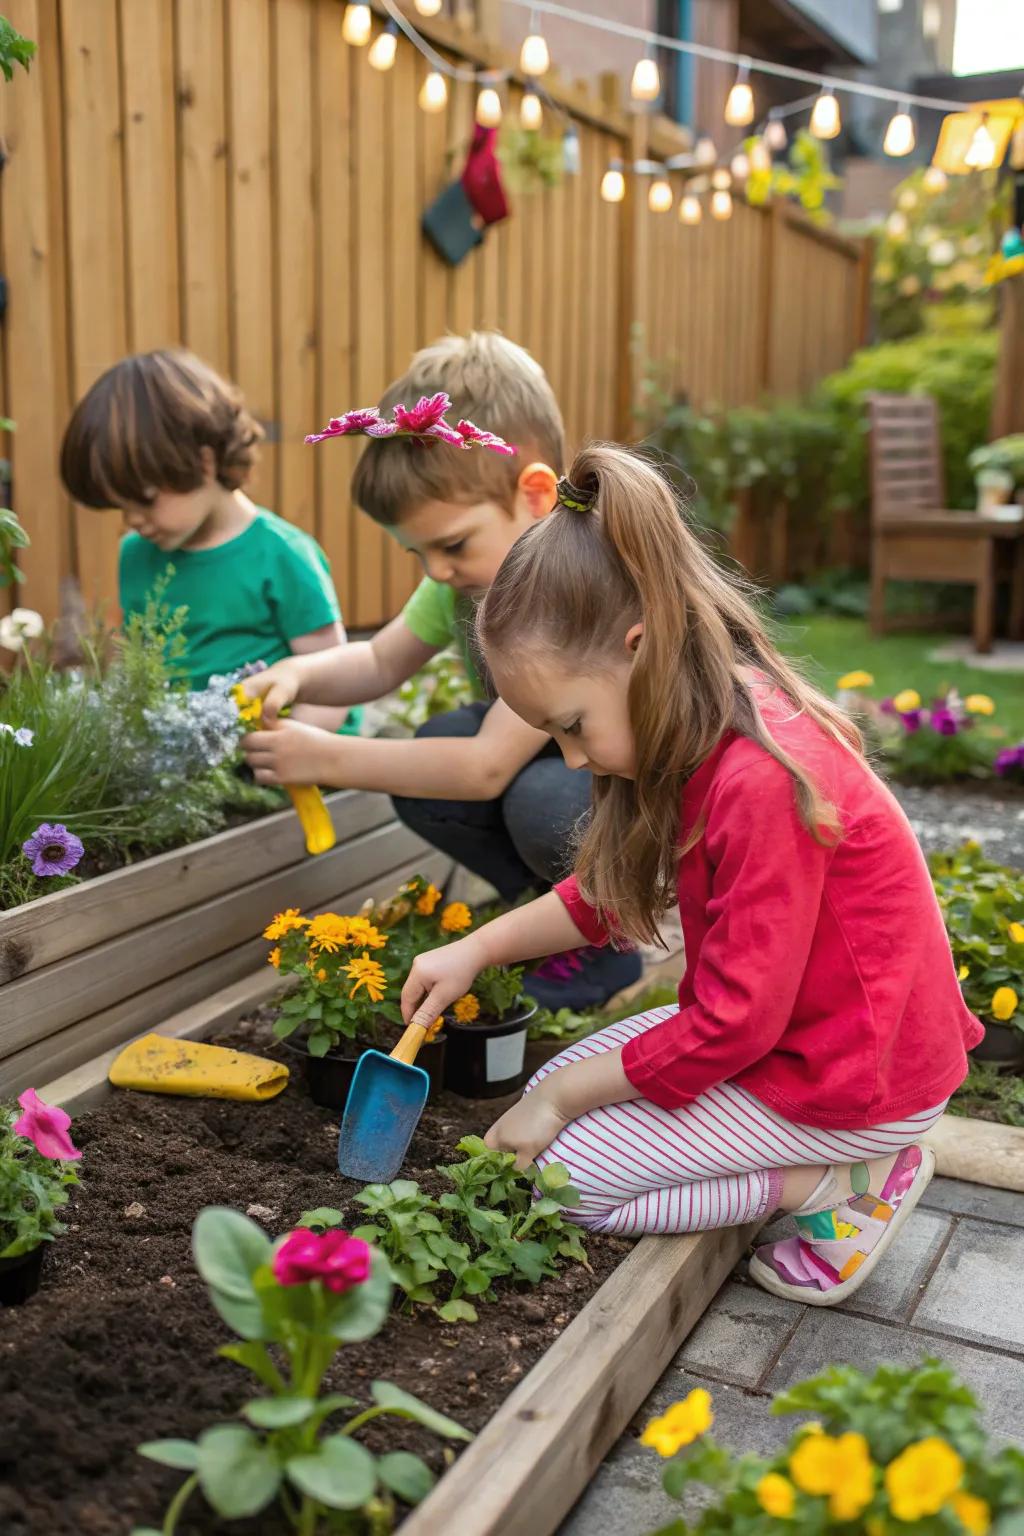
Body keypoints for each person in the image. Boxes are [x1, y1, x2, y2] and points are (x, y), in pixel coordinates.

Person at [398, 443, 982, 1305]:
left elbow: (729, 1026)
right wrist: (479, 950)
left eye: (570, 725)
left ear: (637, 648)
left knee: (565, 1178)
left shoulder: (759, 780)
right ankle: (824, 1165)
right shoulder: (700, 724)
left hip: (853, 1077)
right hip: (806, 1042)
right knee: (560, 1100)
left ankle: (841, 1186)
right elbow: (605, 898)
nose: (567, 756)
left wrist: (561, 1099)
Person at [239, 334, 642, 1010]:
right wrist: (297, 678)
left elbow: (486, 765)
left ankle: (601, 938)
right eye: (417, 552)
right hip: (562, 769)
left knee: (535, 801)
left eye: (451, 545)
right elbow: (377, 660)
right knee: (435, 753)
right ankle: (544, 918)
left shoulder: (564, 590)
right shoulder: (464, 582)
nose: (437, 571)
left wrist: (327, 756)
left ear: (536, 494)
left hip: (625, 798)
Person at [59, 348, 358, 735]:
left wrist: (283, 759)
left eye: (145, 500)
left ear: (204, 462)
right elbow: (136, 664)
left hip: (287, 753)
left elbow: (332, 681)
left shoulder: (281, 554)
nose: (133, 520)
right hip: (188, 760)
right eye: (120, 506)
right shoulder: (135, 554)